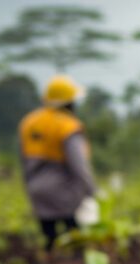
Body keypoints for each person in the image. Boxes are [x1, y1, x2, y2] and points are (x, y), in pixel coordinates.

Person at [19, 75, 97, 252]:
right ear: (69, 102)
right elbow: (79, 165)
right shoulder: (68, 126)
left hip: (36, 189)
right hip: (64, 192)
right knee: (75, 236)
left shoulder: (29, 123)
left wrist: (29, 187)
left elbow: (23, 160)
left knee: (50, 238)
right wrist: (91, 190)